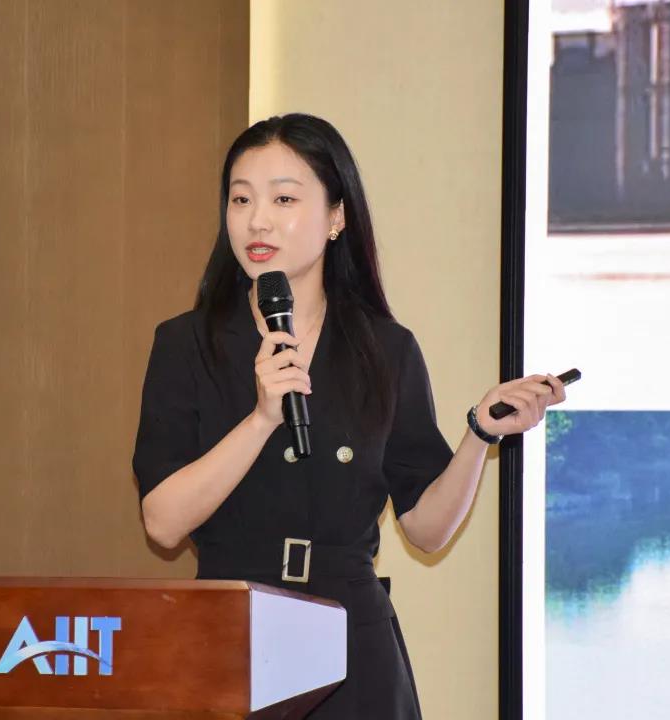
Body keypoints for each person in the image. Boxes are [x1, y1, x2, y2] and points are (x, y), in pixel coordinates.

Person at [132, 113, 565, 719]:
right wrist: (261, 419)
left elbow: (427, 530)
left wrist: (479, 434)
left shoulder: (385, 349)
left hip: (351, 642)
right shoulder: (186, 344)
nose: (257, 221)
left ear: (336, 217)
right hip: (229, 635)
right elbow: (162, 523)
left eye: (284, 199)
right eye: (241, 199)